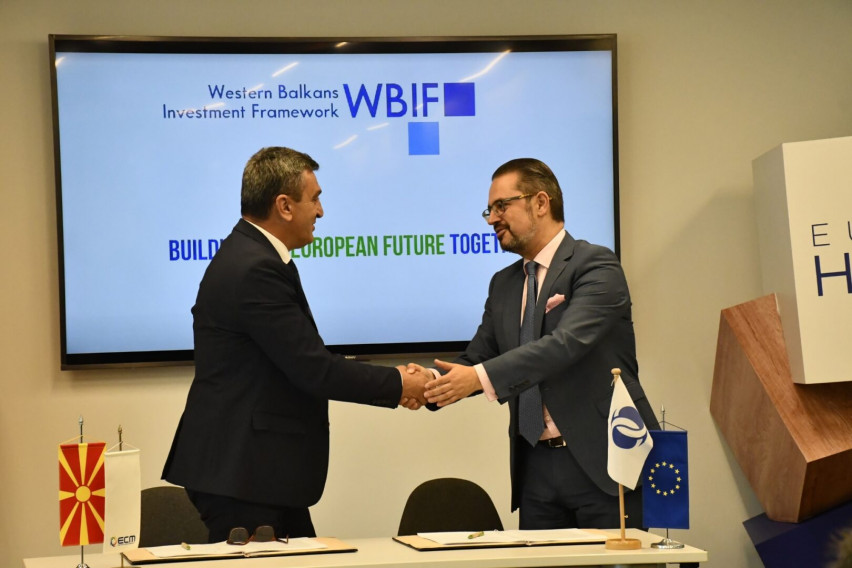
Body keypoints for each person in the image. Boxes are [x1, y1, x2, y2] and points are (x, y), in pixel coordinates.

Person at [162, 146, 429, 542]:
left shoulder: (253, 255)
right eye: (315, 198)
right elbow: (314, 369)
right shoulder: (255, 267)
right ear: (284, 206)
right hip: (242, 474)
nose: (321, 211)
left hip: (254, 472)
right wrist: (401, 383)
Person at [421, 158, 659, 530]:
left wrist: (477, 377)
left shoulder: (597, 265)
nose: (491, 219)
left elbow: (563, 345)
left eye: (502, 206)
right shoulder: (503, 284)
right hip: (535, 469)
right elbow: (478, 356)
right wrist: (429, 382)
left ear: (541, 203)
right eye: (489, 210)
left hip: (605, 463)